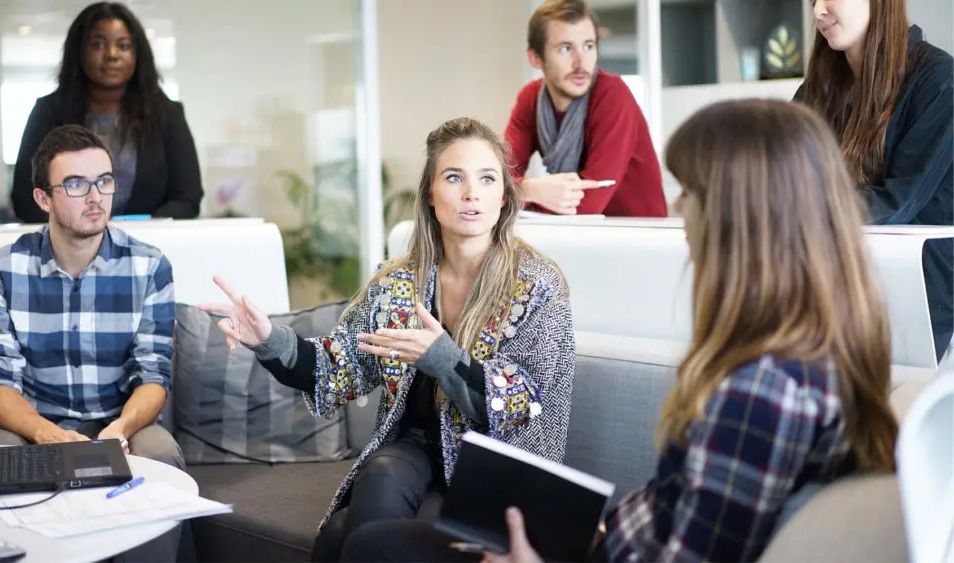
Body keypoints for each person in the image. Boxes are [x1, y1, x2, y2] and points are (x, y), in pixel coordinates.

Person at [338, 99, 899, 562]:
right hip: (603, 542)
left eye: (692, 192)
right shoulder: (801, 358)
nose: (678, 210)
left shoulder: (763, 392)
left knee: (373, 549)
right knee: (364, 538)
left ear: (742, 217)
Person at [202, 117, 576, 561]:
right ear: (431, 197)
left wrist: (441, 357)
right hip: (414, 451)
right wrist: (266, 338)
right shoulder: (398, 282)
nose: (471, 192)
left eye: (487, 178)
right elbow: (334, 368)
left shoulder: (537, 285)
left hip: (494, 470)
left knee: (345, 534)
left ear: (503, 197)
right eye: (454, 177)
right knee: (380, 475)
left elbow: (521, 403)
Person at [0, 124, 183, 471]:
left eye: (104, 181)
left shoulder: (149, 267)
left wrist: (121, 429)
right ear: (44, 199)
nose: (95, 196)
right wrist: (46, 433)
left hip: (122, 424)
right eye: (75, 184)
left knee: (161, 454)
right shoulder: (1, 270)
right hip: (34, 426)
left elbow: (153, 374)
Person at [794, 0, 953, 362]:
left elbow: (897, 203)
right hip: (835, 296)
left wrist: (792, 208)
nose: (818, 10)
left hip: (918, 306)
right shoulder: (816, 90)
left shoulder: (940, 80)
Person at [10, 1, 203, 223]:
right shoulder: (49, 113)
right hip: (67, 250)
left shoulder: (167, 115)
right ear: (79, 52)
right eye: (98, 45)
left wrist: (139, 233)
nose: (112, 55)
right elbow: (25, 198)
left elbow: (187, 198)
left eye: (123, 46)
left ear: (138, 54)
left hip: (147, 248)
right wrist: (80, 230)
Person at [504, 0, 666, 218]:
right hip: (577, 235)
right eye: (565, 48)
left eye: (588, 46)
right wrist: (530, 189)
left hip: (637, 237)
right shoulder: (530, 99)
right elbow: (496, 180)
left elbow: (588, 203)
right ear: (536, 59)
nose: (581, 63)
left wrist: (517, 196)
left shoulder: (612, 95)